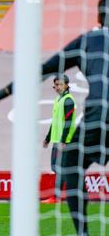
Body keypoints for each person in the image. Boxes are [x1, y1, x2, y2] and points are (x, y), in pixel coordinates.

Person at [0, 0, 109, 236]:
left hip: (98, 115)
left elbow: (39, 71)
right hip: (97, 115)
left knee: (71, 161)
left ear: (99, 17)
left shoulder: (89, 41)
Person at [42, 75, 76, 203]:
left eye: (59, 84)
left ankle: (57, 197)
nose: (57, 87)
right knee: (57, 168)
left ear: (66, 85)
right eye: (55, 85)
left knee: (60, 168)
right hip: (57, 140)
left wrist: (63, 140)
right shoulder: (58, 100)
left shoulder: (68, 100)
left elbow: (67, 122)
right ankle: (59, 196)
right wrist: (48, 138)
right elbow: (55, 122)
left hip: (64, 141)